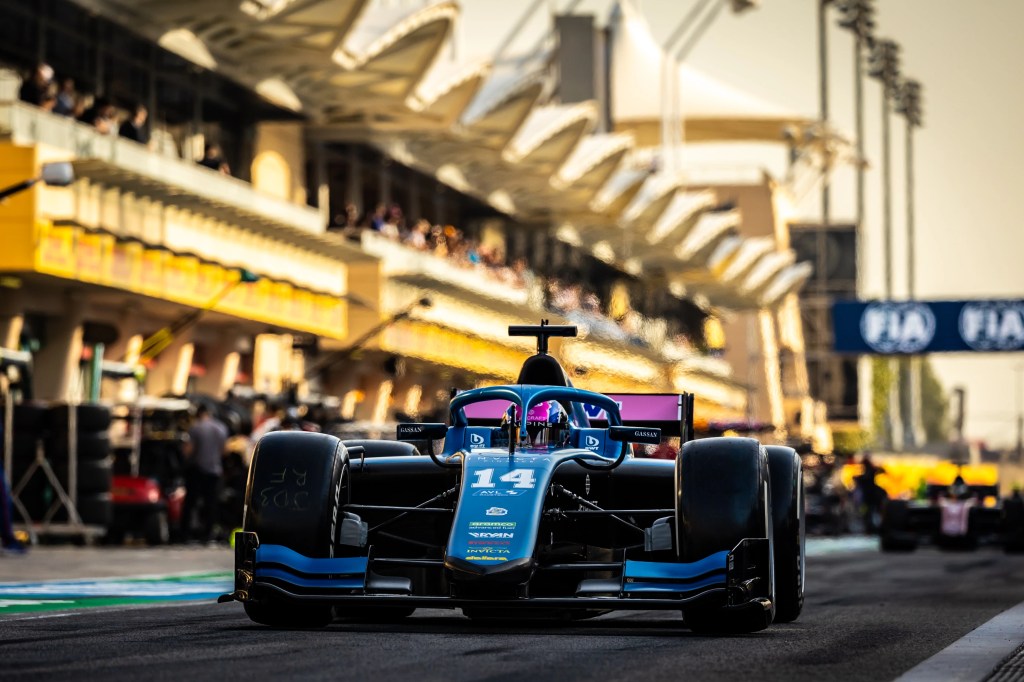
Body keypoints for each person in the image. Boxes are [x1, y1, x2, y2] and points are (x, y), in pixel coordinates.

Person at [181, 404, 228, 543]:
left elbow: (189, 450)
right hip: (214, 471)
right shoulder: (221, 428)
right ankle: (207, 535)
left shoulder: (196, 427)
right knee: (211, 503)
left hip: (198, 470)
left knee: (190, 503)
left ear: (199, 414)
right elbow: (224, 450)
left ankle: (185, 534)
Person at [853, 455, 886, 534]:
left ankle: (872, 528)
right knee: (870, 513)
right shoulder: (870, 471)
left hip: (870, 496)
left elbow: (881, 470)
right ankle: (871, 528)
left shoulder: (868, 473)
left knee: (870, 513)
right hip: (870, 497)